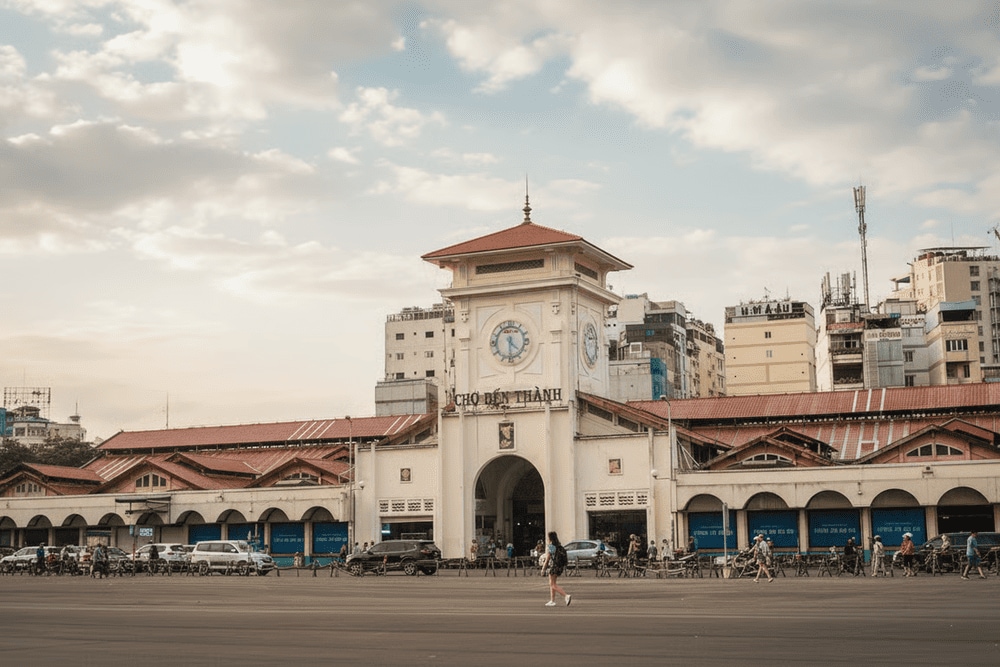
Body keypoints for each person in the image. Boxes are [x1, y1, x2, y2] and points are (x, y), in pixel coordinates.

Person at [542, 531, 571, 607]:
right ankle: (552, 600)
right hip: (559, 566)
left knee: (552, 584)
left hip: (553, 566)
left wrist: (543, 568)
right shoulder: (559, 546)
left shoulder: (551, 546)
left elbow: (548, 558)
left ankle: (566, 596)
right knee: (552, 583)